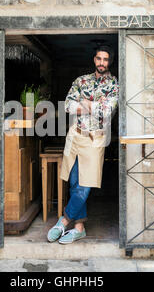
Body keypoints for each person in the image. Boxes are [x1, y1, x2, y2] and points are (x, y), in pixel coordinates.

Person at [47, 45, 119, 244]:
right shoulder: (81, 81)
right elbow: (68, 106)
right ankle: (79, 228)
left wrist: (86, 105)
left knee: (85, 186)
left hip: (95, 140)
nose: (101, 62)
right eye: (99, 58)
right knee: (74, 183)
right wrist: (91, 106)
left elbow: (106, 111)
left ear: (109, 62)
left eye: (105, 59)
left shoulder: (114, 84)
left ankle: (64, 220)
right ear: (94, 60)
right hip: (75, 136)